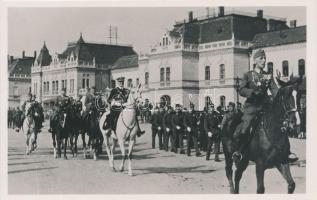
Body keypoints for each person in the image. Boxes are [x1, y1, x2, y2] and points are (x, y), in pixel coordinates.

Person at [232, 48, 298, 163]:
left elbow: (275, 91)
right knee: (246, 125)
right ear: (255, 61)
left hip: (266, 106)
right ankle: (239, 151)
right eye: (261, 58)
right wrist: (251, 92)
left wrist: (282, 93)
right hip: (252, 107)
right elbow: (241, 89)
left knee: (279, 124)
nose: (264, 60)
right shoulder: (248, 75)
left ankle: (286, 152)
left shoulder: (268, 76)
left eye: (265, 58)